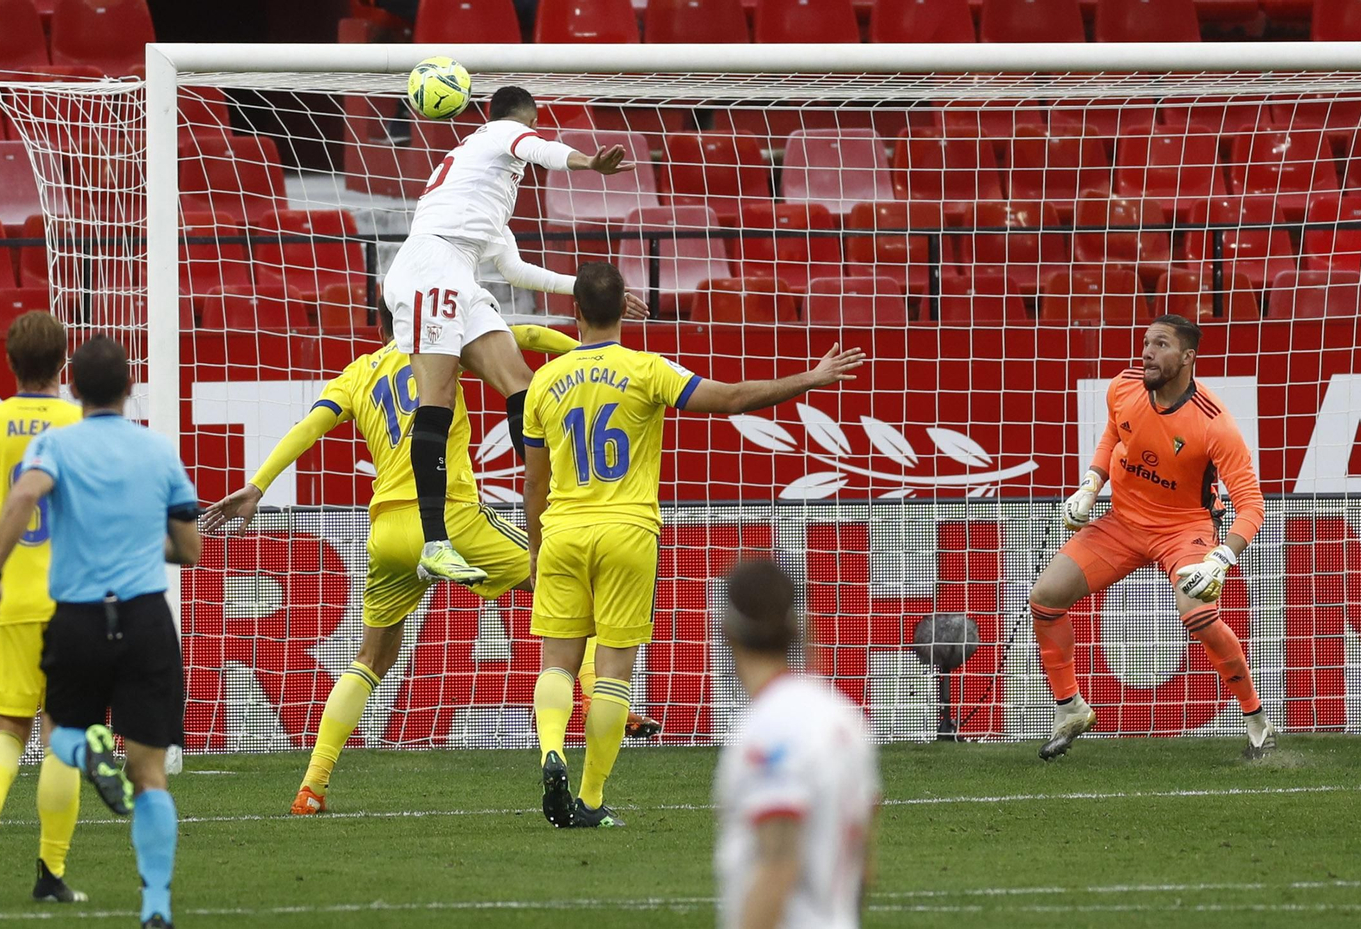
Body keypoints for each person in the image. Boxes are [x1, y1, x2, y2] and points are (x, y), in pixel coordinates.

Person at [200, 312, 659, 817]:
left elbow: (309, 427)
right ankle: (607, 693)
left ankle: (312, 786)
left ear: (378, 328)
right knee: (569, 587)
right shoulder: (445, 344)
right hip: (451, 520)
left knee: (369, 661)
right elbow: (519, 337)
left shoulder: (358, 373)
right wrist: (581, 351)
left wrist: (259, 485)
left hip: (389, 536)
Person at [523, 262, 864, 827]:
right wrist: (811, 377)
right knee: (612, 670)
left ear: (575, 311)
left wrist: (536, 547)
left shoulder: (543, 382)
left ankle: (551, 750)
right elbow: (730, 398)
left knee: (558, 664)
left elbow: (534, 481)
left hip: (562, 529)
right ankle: (588, 800)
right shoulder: (645, 369)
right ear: (622, 310)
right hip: (628, 531)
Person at [0, 336, 202, 929]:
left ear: (73, 388)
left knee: (56, 737)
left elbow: (24, 494)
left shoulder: (56, 443)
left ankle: (87, 747)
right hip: (145, 618)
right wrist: (142, 541)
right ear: (130, 390)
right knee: (150, 773)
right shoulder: (158, 451)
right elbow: (191, 550)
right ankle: (155, 905)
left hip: (75, 618)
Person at [388, 84, 647, 586]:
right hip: (431, 266)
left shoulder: (482, 189)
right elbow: (541, 150)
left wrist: (588, 288)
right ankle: (435, 542)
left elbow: (513, 269)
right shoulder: (499, 133)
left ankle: (546, 515)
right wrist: (589, 163)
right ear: (525, 118)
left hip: (459, 272)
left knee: (522, 386)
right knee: (437, 396)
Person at [1031, 314, 1273, 760]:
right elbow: (1114, 433)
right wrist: (1090, 484)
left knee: (1197, 613)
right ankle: (1070, 709)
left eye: (1160, 344)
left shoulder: (1213, 423)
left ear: (1187, 357)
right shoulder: (1123, 386)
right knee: (1045, 597)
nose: (1146, 352)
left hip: (1184, 530)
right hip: (1122, 523)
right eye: (1145, 342)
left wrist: (1220, 559)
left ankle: (1256, 720)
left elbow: (1252, 504)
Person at [0, 312, 85, 903]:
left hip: (7, 600)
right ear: (64, 364)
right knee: (64, 735)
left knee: (8, 729)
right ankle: (50, 874)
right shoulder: (85, 424)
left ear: (9, 362)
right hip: (74, 600)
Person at [714, 559, 879, 929]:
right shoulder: (845, 717)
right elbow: (864, 863)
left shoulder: (770, 728)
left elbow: (779, 863)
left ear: (727, 631)